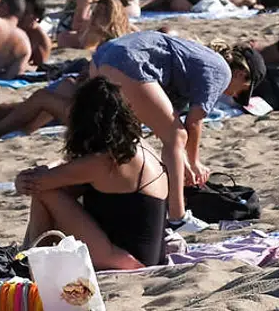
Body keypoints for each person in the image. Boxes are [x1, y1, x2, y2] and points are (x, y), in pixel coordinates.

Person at [90, 32, 258, 232]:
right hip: (130, 60)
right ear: (240, 73)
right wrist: (194, 163)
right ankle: (178, 218)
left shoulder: (193, 62)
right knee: (177, 135)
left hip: (103, 57)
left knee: (124, 136)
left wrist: (183, 163)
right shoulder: (222, 70)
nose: (234, 96)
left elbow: (164, 124)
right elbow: (193, 123)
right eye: (242, 91)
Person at [15, 78, 168, 270]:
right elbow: (66, 169)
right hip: (144, 256)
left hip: (126, 260)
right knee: (60, 188)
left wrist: (21, 180)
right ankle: (31, 254)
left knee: (45, 192)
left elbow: (38, 181)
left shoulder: (104, 161)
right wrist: (48, 171)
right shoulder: (134, 147)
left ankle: (32, 260)